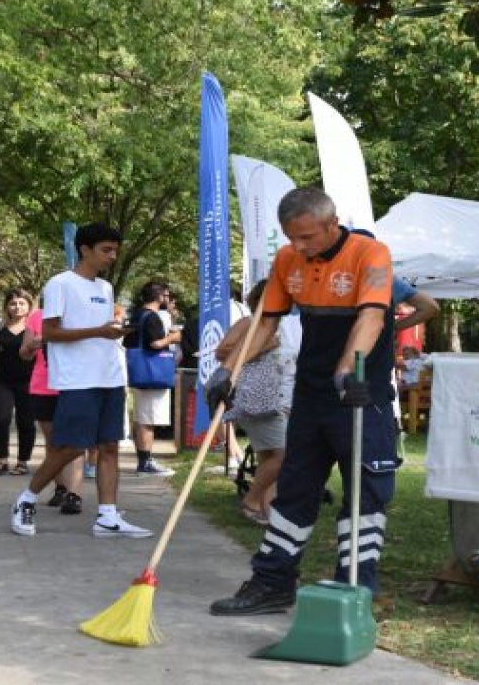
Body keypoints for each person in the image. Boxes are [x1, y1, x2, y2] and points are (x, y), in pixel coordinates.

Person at [208, 187, 398, 615]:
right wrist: (229, 371)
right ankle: (272, 584)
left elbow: (371, 317)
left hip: (359, 393)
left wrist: (349, 368)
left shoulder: (371, 254)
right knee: (293, 489)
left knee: (365, 492)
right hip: (310, 397)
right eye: (291, 237)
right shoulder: (287, 260)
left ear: (332, 225)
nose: (298, 247)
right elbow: (265, 322)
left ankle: (357, 591)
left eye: (308, 237)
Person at [9, 223, 152, 539]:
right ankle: (26, 499)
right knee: (71, 446)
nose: (112, 256)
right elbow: (50, 332)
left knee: (109, 447)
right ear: (84, 249)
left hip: (109, 376)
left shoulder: (105, 288)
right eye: (106, 249)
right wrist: (99, 331)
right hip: (77, 379)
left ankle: (108, 516)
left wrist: (113, 330)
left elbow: (99, 328)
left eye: (115, 250)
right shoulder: (60, 284)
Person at [216, 279, 296, 525]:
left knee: (268, 455)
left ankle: (264, 506)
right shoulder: (250, 323)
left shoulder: (286, 325)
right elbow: (222, 352)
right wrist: (261, 346)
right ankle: (252, 500)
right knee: (283, 455)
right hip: (258, 398)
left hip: (280, 399)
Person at [20, 305, 86, 514]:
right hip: (44, 386)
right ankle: (60, 487)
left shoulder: (80, 315)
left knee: (75, 442)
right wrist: (33, 345)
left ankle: (74, 495)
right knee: (54, 443)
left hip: (73, 386)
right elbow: (24, 354)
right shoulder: (37, 316)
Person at [124, 281, 181, 477]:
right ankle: (146, 461)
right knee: (149, 418)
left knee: (142, 417)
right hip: (153, 374)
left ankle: (144, 459)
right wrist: (172, 338)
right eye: (166, 295)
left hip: (139, 372)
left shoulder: (137, 315)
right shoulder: (152, 317)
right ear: (158, 297)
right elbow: (156, 343)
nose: (167, 299)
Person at [0, 290, 37, 476]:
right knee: (0, 420)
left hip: (29, 380)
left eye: (22, 303)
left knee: (25, 421)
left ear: (29, 306)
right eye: (13, 303)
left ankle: (22, 461)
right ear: (6, 306)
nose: (17, 307)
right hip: (1, 381)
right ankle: (2, 460)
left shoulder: (34, 328)